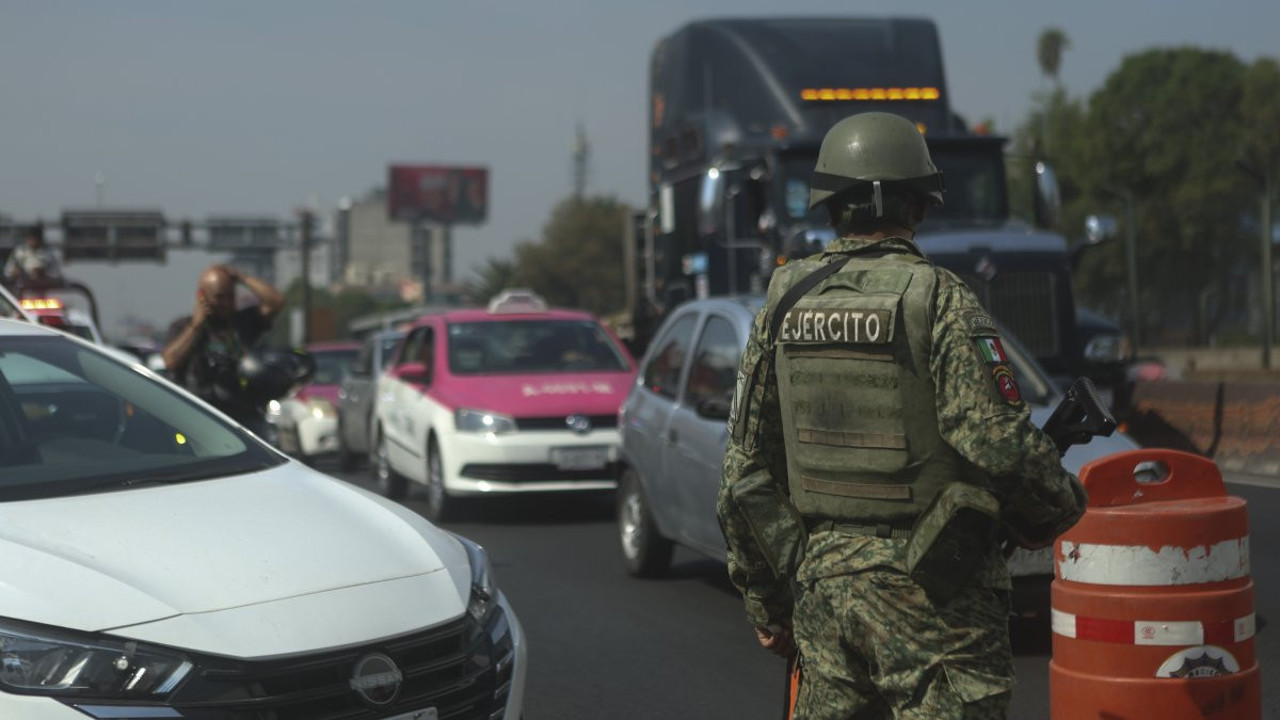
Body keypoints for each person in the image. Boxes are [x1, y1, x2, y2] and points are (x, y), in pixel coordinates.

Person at [717, 112, 1087, 720]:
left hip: (824, 596)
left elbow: (742, 476)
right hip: (936, 602)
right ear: (916, 203)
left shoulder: (784, 302)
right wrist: (1057, 508)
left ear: (830, 207)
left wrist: (770, 604)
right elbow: (999, 443)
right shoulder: (939, 297)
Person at [162, 264, 285, 434]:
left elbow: (276, 301)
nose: (226, 303)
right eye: (219, 297)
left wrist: (241, 277)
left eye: (230, 296)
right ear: (202, 297)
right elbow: (170, 361)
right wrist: (196, 326)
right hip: (199, 416)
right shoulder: (183, 326)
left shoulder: (242, 323)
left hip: (241, 417)